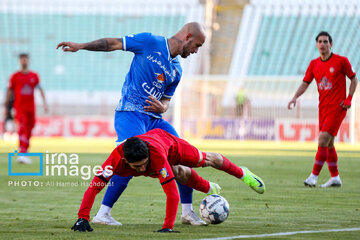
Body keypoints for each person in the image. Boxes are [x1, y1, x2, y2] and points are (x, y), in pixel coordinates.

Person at [57, 22, 207, 226]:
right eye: (197, 45)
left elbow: (165, 100)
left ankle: (187, 212)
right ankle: (103, 214)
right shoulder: (149, 42)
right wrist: (81, 46)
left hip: (155, 121)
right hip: (130, 113)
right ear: (188, 36)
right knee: (129, 157)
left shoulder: (177, 70)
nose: (196, 51)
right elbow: (113, 43)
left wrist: (163, 108)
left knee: (180, 156)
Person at [70, 128, 265, 232]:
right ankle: (209, 187)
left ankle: (242, 173)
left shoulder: (155, 157)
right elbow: (94, 187)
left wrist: (167, 227)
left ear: (148, 156)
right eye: (137, 167)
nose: (143, 170)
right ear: (125, 160)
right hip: (152, 147)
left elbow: (171, 192)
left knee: (207, 160)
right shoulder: (114, 161)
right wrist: (82, 218)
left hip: (169, 145)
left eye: (144, 164)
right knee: (180, 172)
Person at [288, 31, 358, 188]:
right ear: (316, 44)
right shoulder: (314, 64)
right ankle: (335, 177)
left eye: (326, 41)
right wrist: (294, 97)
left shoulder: (341, 61)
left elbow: (354, 79)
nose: (323, 44)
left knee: (322, 140)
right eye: (320, 41)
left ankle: (313, 177)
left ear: (331, 44)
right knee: (329, 144)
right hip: (323, 109)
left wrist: (349, 98)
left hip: (338, 107)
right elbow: (305, 83)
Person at [4, 53, 48, 164]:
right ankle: (22, 153)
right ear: (20, 61)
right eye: (22, 59)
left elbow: (40, 89)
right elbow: (9, 91)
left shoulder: (34, 76)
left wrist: (45, 103)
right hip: (19, 108)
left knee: (29, 130)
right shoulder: (15, 76)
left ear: (28, 61)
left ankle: (25, 152)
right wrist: (6, 106)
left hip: (31, 108)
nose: (24, 61)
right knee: (22, 128)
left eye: (26, 59)